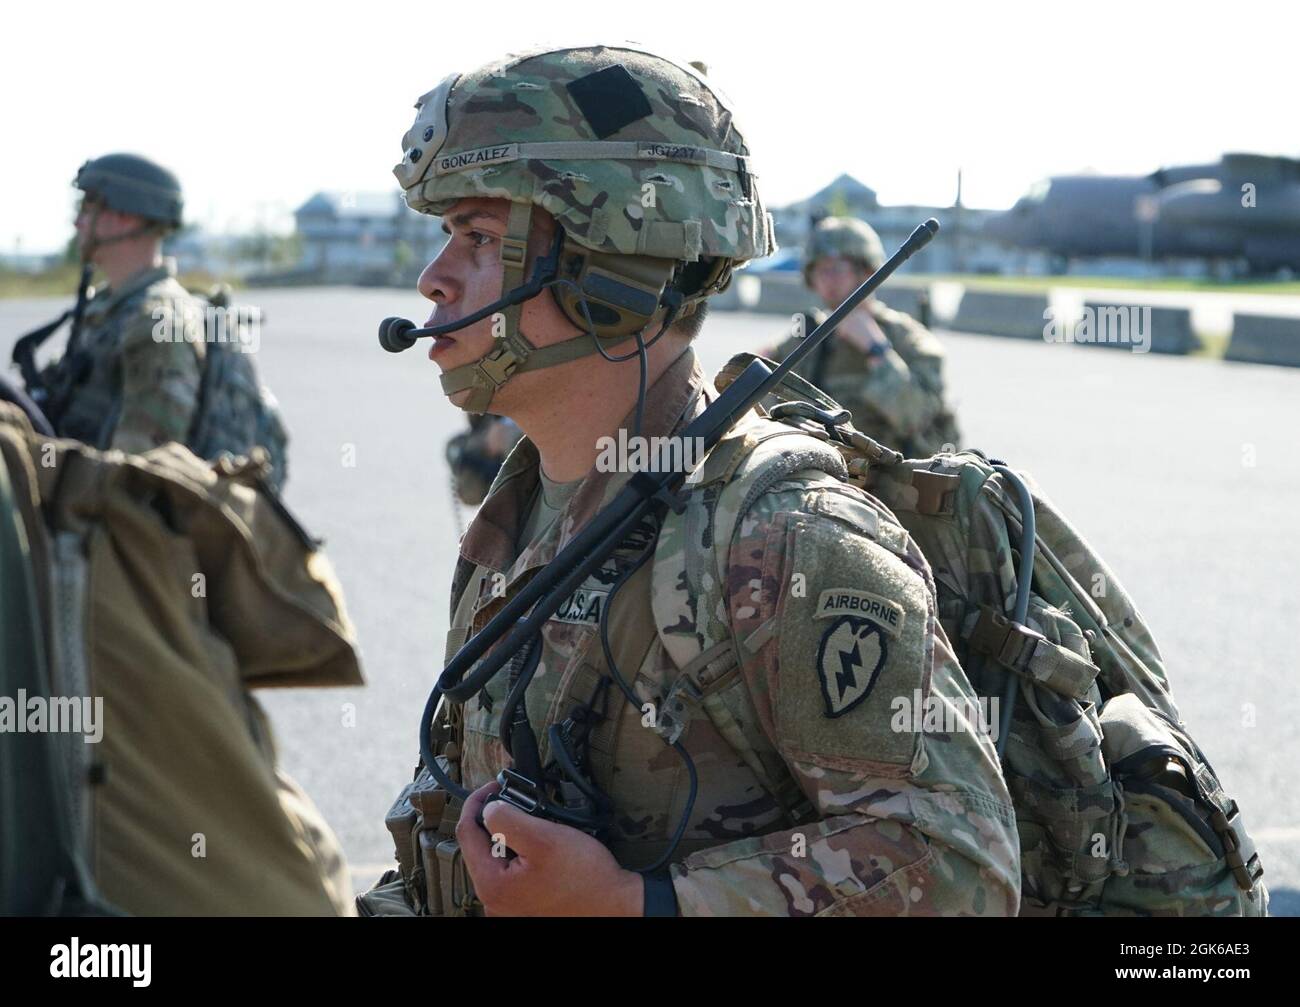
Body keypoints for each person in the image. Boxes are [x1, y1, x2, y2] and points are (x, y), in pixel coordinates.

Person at [366, 43, 1019, 917]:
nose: (433, 279)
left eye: (480, 238)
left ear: (612, 272)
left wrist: (637, 905)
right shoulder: (520, 511)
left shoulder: (781, 532)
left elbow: (960, 868)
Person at [21, 154, 289, 488]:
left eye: (89, 207)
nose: (78, 222)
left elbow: (139, 475)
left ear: (125, 217)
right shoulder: (109, 308)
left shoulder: (158, 323)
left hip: (122, 524)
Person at [766, 216, 961, 458]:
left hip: (888, 481)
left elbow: (915, 416)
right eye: (819, 270)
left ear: (867, 272)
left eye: (836, 269)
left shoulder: (907, 338)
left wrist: (876, 350)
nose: (827, 280)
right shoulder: (805, 338)